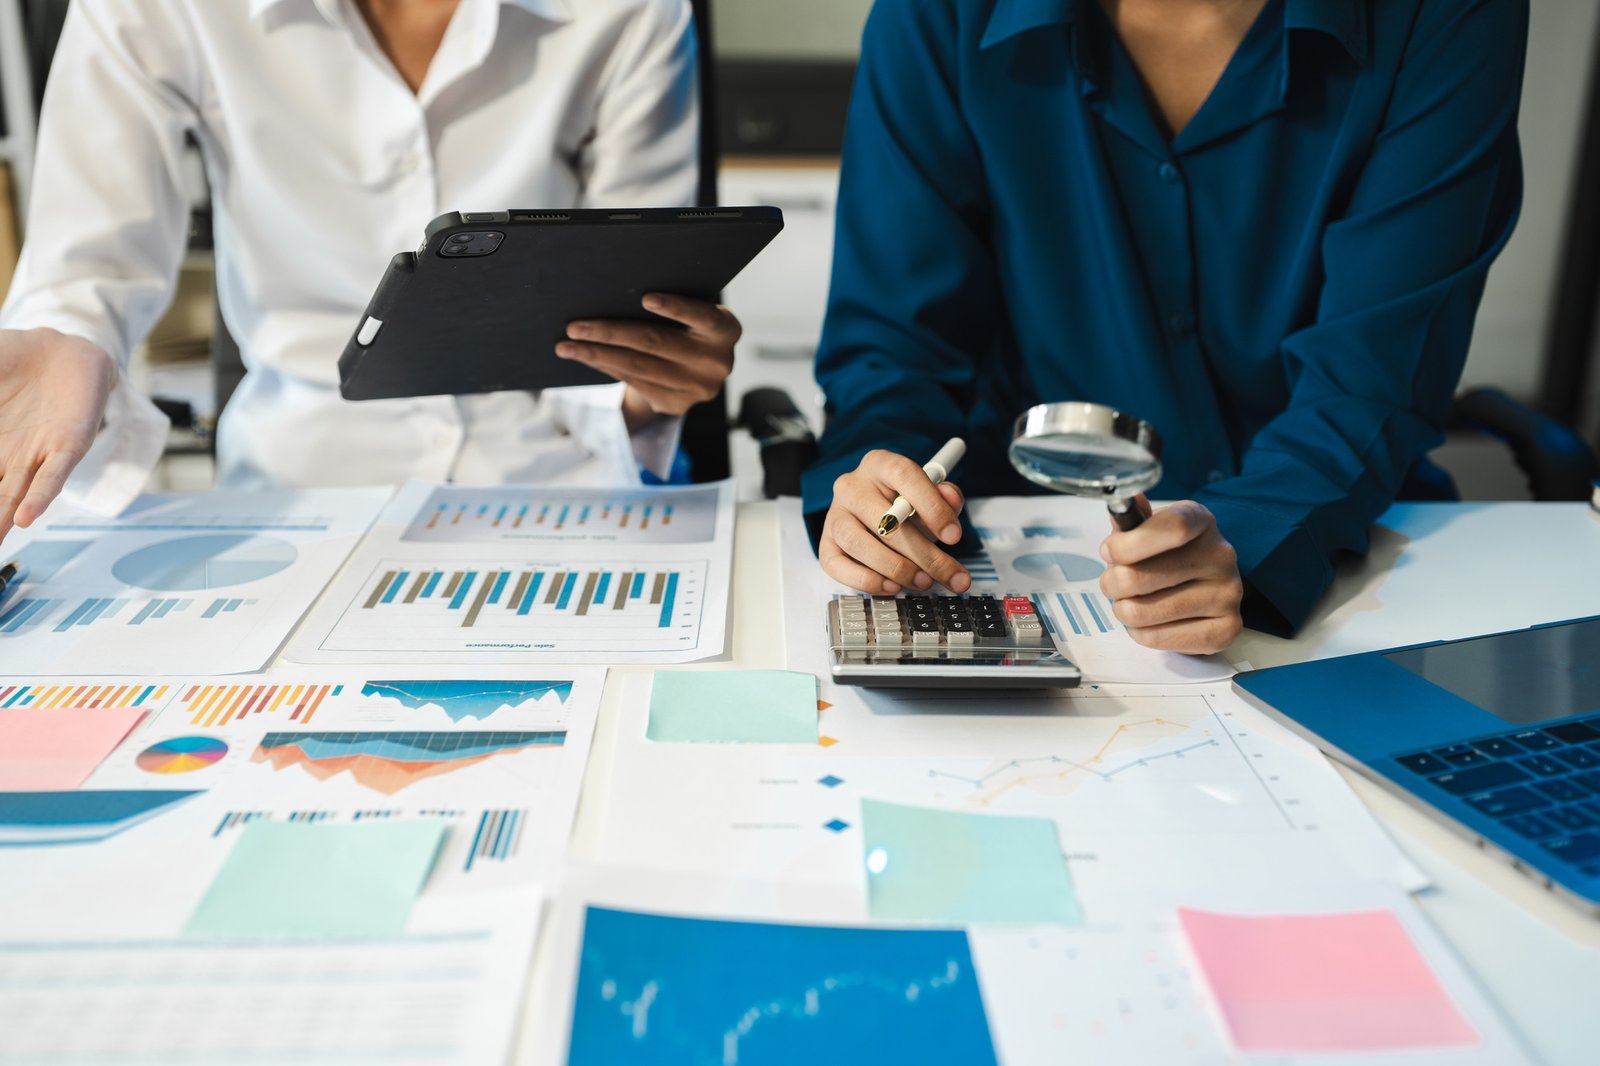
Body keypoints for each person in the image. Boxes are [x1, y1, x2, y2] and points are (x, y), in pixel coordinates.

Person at [805, 0, 1525, 654]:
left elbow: (1371, 379)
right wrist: (880, 485)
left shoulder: (1442, 16)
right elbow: (893, 351)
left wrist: (1247, 530)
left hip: (1337, 558)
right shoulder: (939, 16)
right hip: (1019, 555)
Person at [0, 0, 738, 543]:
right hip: (297, 501)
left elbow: (627, 307)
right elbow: (83, 274)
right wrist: (66, 343)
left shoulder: (631, 11)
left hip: (560, 486)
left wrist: (646, 388)